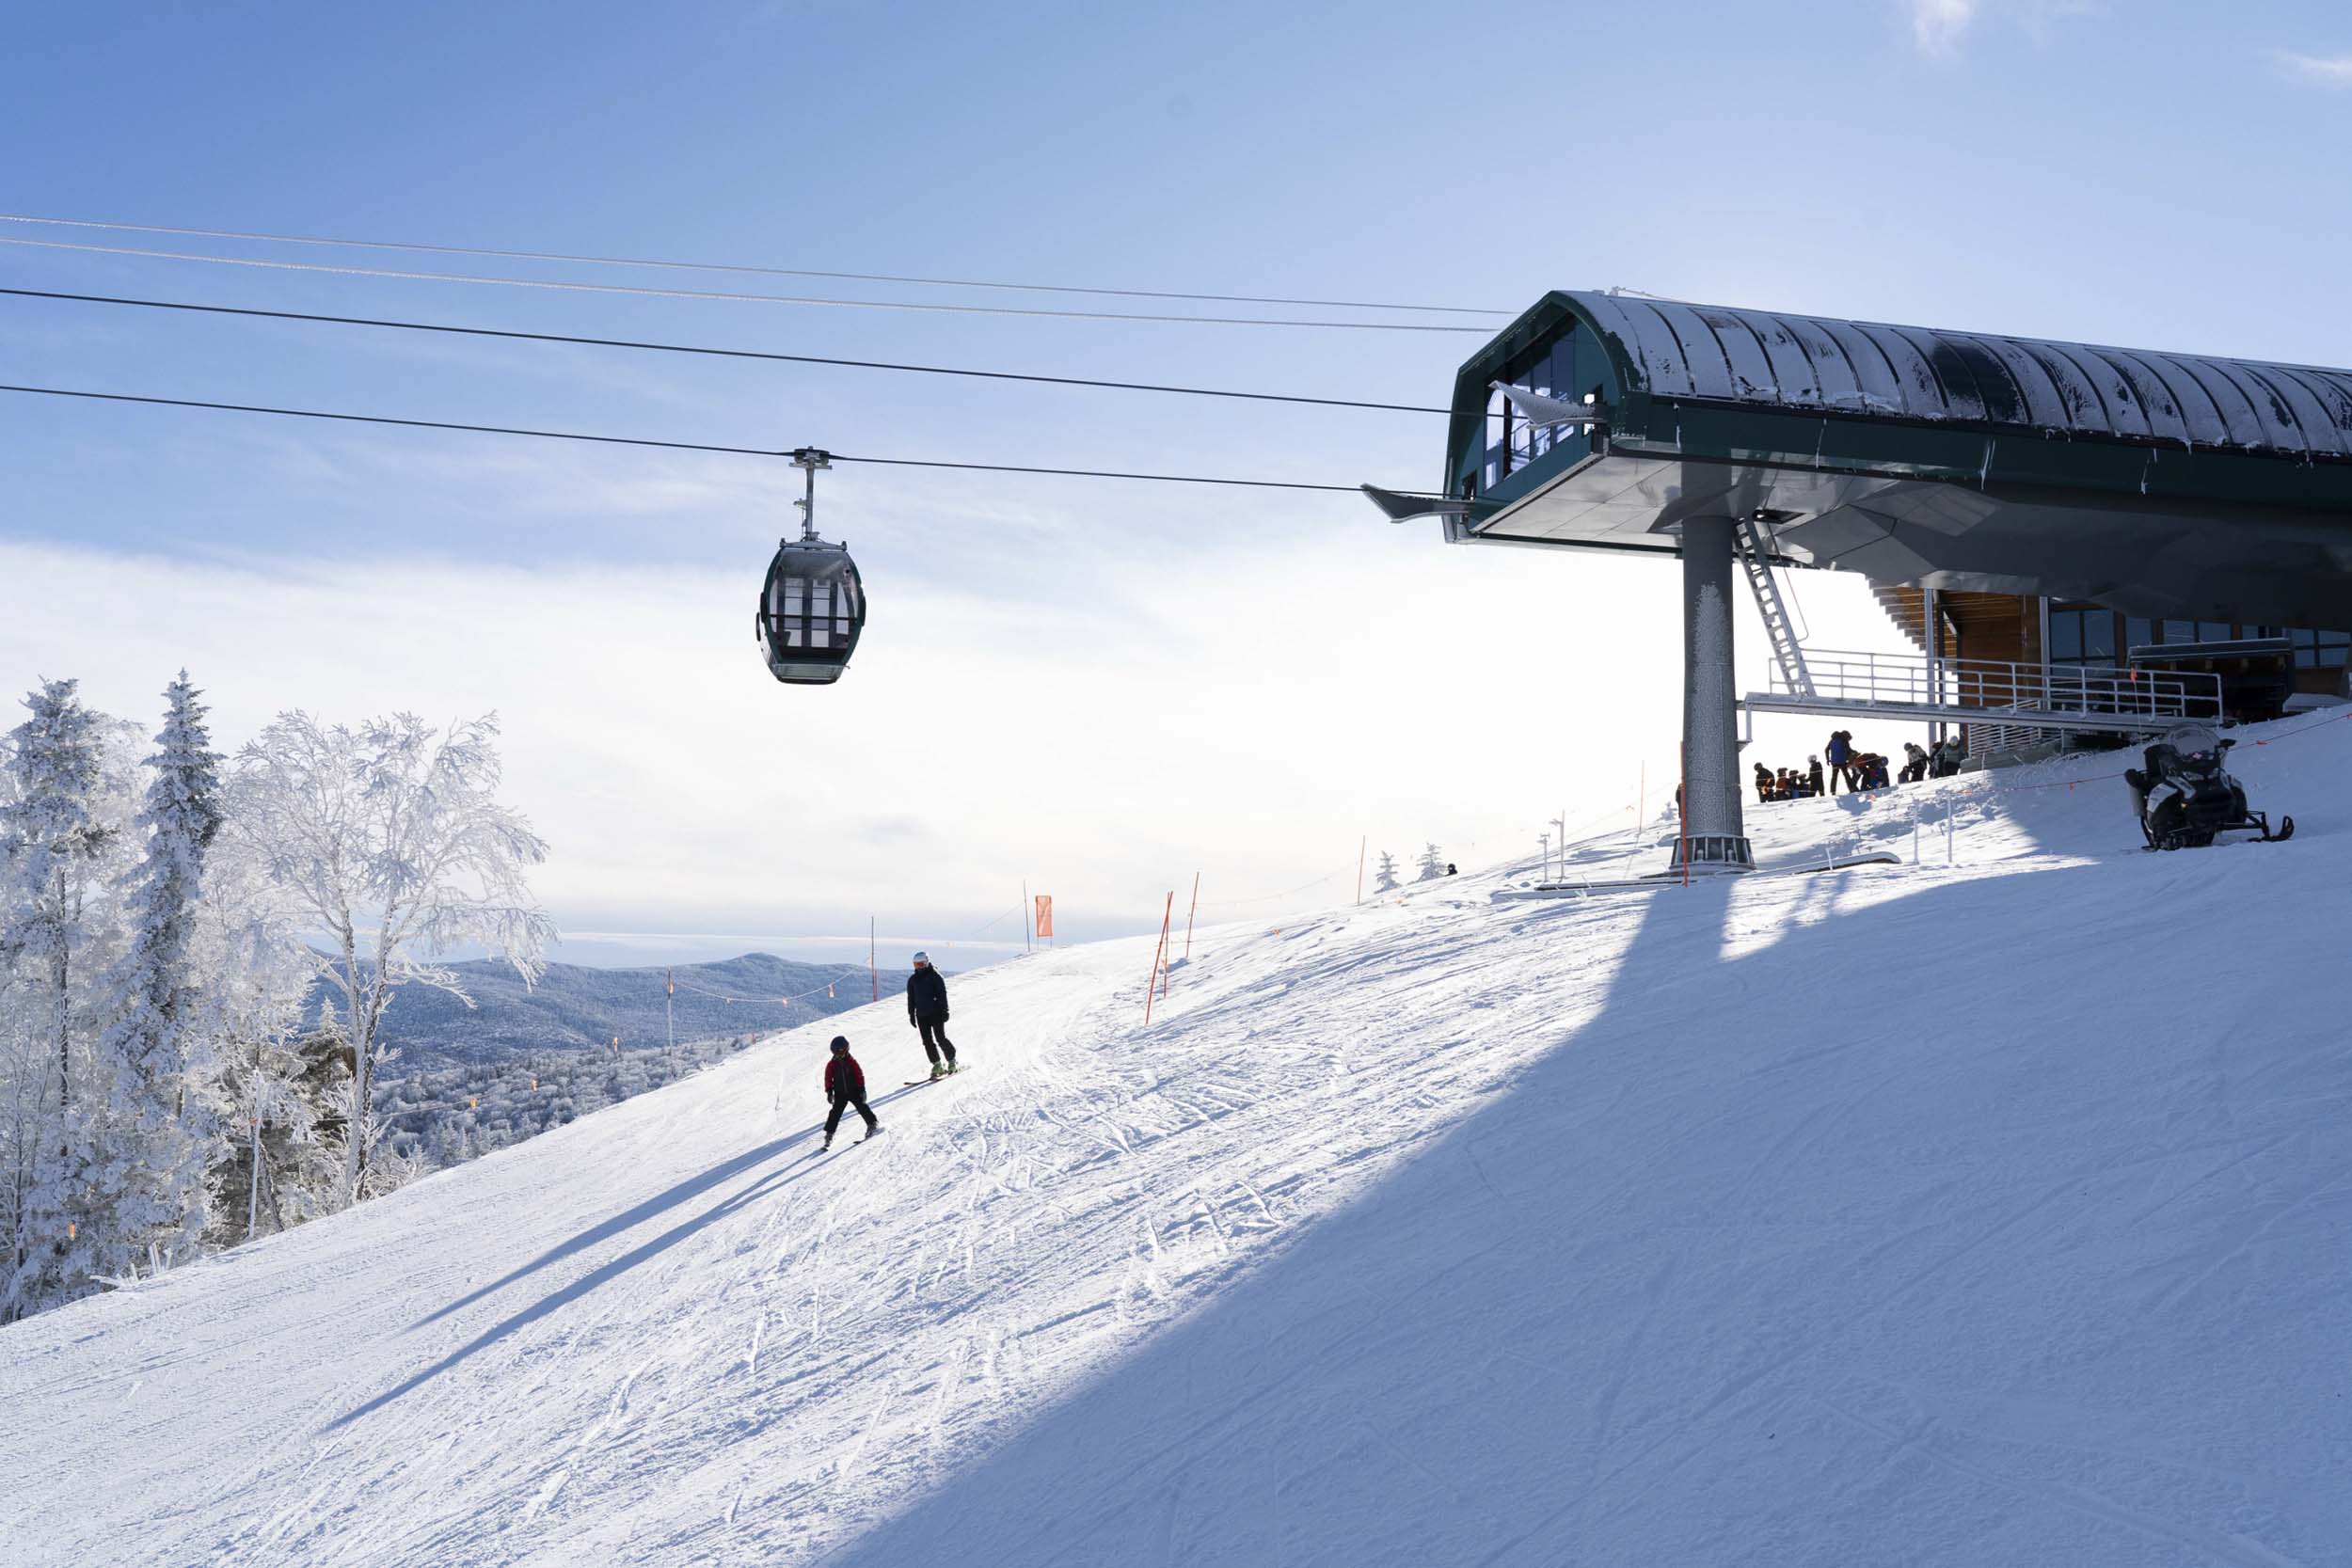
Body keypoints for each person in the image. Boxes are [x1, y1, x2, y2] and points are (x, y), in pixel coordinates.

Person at [906, 950, 959, 1079]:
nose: (918, 968)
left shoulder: (935, 977)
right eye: (916, 965)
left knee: (940, 1038)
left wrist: (945, 1011)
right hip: (921, 1015)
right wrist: (911, 1014)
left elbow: (942, 995)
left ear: (927, 963)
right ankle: (937, 1064)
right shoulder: (913, 980)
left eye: (921, 965)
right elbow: (911, 999)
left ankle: (952, 1060)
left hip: (935, 1013)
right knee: (927, 1041)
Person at [821, 1036, 881, 1149]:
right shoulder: (831, 1064)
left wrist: (862, 1089)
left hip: (854, 1091)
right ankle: (829, 1135)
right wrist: (829, 1091)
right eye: (835, 1054)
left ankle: (872, 1123)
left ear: (846, 1050)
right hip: (840, 1094)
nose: (838, 1056)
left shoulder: (851, 1062)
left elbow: (859, 1075)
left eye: (839, 1053)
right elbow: (828, 1078)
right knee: (835, 1113)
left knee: (862, 1107)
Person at [1825, 729, 1855, 793]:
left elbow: (1826, 749)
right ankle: (1852, 789)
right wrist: (1854, 752)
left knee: (1834, 777)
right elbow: (1848, 749)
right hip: (1842, 762)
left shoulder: (1832, 740)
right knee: (1846, 775)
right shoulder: (1844, 739)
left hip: (1834, 762)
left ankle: (1832, 791)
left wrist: (1827, 759)